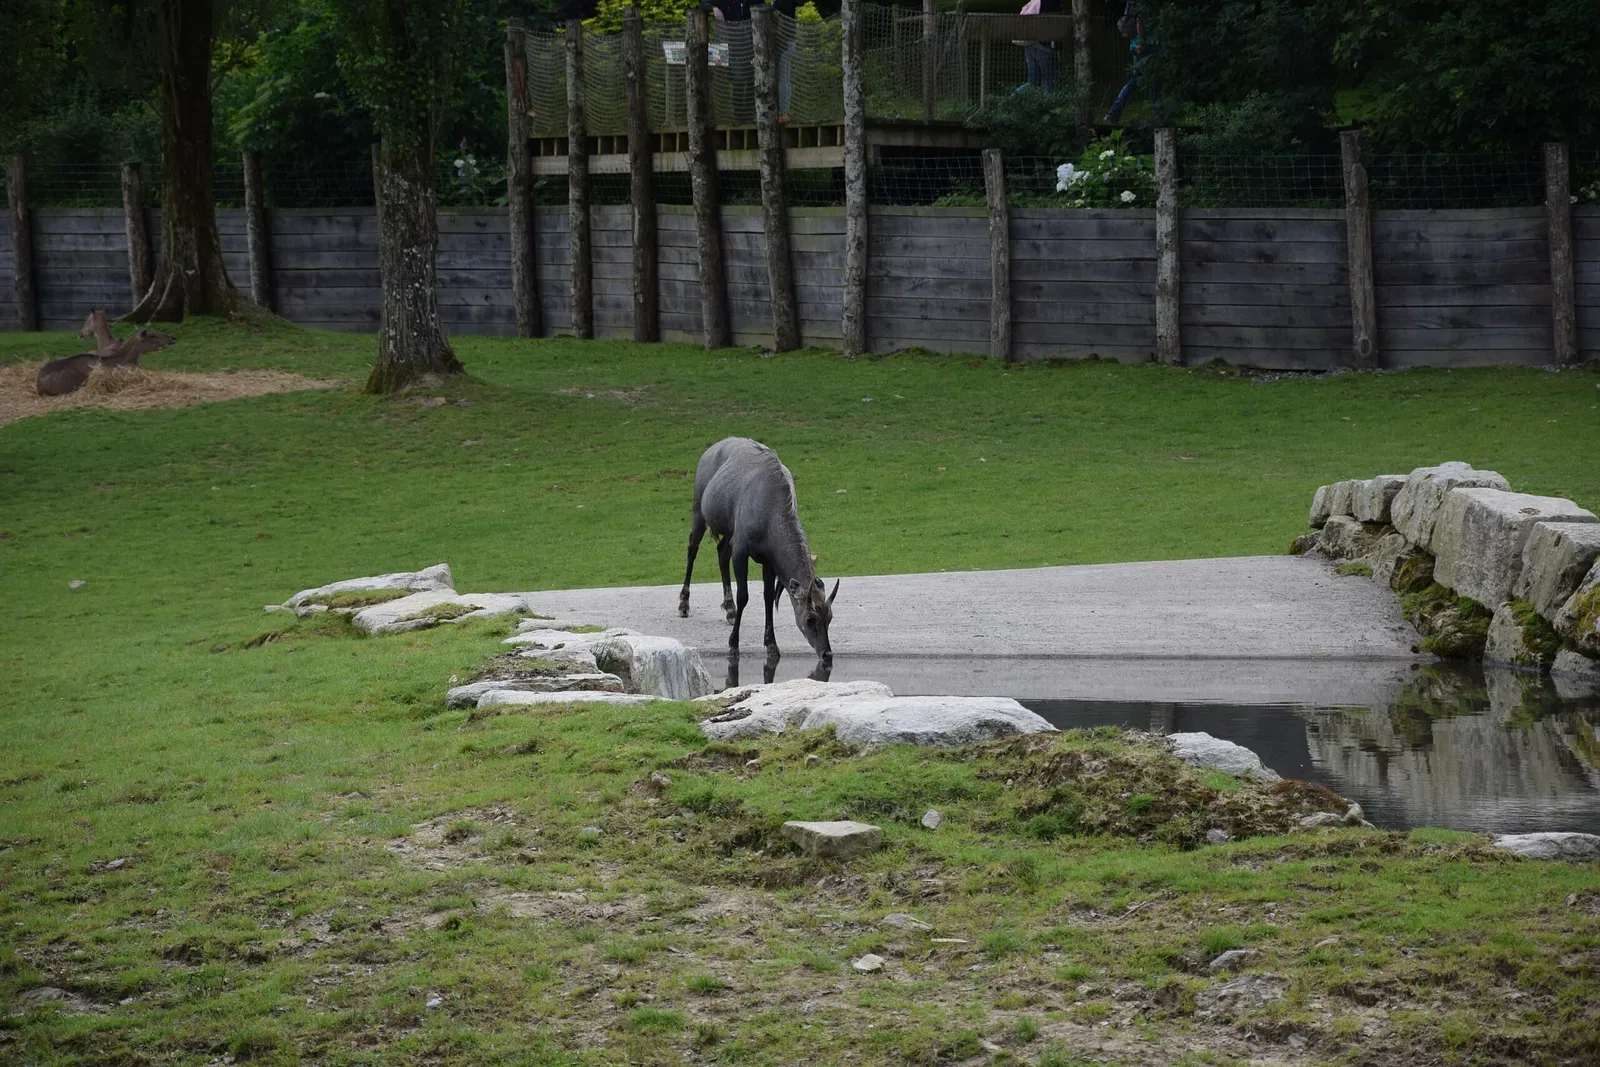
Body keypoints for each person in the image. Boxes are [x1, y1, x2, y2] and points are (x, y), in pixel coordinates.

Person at [1104, 1, 1156, 123]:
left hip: (1139, 44)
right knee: (1141, 80)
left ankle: (1113, 114)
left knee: (1148, 80)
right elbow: (1140, 19)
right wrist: (1142, 41)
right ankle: (1113, 113)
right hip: (1145, 45)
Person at [1012, 0, 1062, 94]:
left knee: (1033, 82)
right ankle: (1046, 107)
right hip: (1045, 46)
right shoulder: (1052, 3)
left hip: (1030, 45)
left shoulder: (1035, 2)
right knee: (1050, 81)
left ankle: (1012, 99)